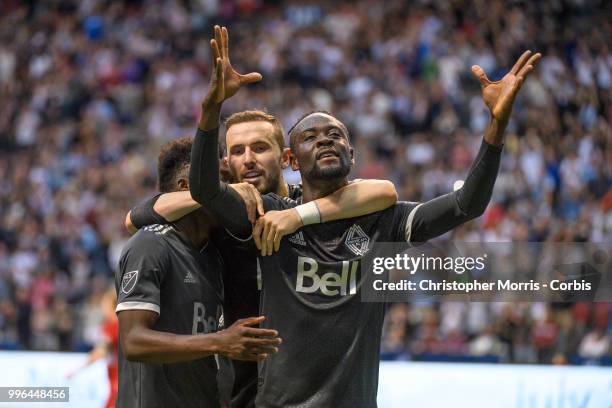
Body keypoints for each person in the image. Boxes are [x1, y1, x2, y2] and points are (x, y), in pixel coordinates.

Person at [191, 30, 541, 407]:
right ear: (292, 160)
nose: (325, 140)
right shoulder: (271, 215)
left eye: (335, 135)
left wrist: (496, 126)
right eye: (311, 137)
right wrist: (211, 109)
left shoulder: (382, 220)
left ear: (352, 155)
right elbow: (205, 190)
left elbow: (466, 204)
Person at [125, 25, 398, 407]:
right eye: (237, 151)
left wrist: (298, 217)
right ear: (225, 164)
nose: (248, 159)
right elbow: (136, 217)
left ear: (286, 158)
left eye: (259, 148)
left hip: (311, 386)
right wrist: (225, 189)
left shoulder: (310, 204)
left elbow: (382, 191)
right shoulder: (222, 214)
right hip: (239, 386)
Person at [115, 136, 283, 408]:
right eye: (224, 182)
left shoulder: (213, 255)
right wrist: (220, 341)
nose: (233, 193)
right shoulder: (151, 244)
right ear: (186, 189)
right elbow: (134, 342)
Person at [67, 287, 119, 408]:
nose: (102, 309)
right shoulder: (124, 324)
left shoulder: (111, 326)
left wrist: (77, 369)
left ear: (112, 305)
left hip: (118, 382)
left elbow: (101, 351)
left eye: (104, 305)